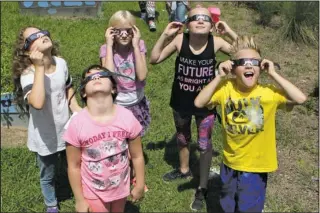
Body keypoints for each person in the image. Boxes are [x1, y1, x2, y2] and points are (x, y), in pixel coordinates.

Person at [194, 36, 307, 212]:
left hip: (255, 167)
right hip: (230, 163)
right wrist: (219, 76)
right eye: (242, 62)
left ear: (261, 68)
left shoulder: (268, 93)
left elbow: (300, 98)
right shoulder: (225, 88)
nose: (248, 65)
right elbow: (199, 103)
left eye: (254, 62)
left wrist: (274, 74)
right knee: (227, 206)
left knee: (249, 208)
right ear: (232, 68)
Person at [150, 6, 238, 211]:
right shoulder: (181, 41)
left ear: (212, 25)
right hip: (181, 101)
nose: (200, 21)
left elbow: (247, 52)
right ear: (187, 24)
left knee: (205, 143)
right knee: (182, 137)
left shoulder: (216, 42)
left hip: (206, 103)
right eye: (195, 18)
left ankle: (203, 186)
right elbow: (154, 59)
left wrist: (230, 32)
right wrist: (165, 35)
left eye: (205, 18)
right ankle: (183, 169)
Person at [12, 26, 81, 213]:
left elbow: (67, 88)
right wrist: (40, 67)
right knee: (47, 173)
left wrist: (76, 108)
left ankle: (78, 190)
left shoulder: (61, 63)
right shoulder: (29, 74)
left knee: (73, 164)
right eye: (34, 36)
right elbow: (38, 102)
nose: (41, 36)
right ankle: (51, 203)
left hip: (66, 129)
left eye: (43, 32)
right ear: (28, 50)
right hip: (45, 136)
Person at [63, 65, 145, 213]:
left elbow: (137, 155)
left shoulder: (127, 117)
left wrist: (140, 184)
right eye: (90, 77)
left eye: (101, 75)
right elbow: (73, 166)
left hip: (121, 187)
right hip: (93, 191)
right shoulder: (76, 124)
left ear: (113, 88)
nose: (96, 77)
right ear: (83, 92)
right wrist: (79, 200)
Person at [100, 10, 150, 192]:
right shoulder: (106, 50)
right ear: (110, 31)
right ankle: (124, 175)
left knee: (135, 144)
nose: (123, 34)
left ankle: (138, 179)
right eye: (118, 30)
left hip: (136, 103)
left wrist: (136, 46)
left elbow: (142, 75)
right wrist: (108, 44)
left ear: (135, 31)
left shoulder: (139, 45)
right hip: (117, 104)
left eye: (128, 30)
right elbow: (108, 78)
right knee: (119, 144)